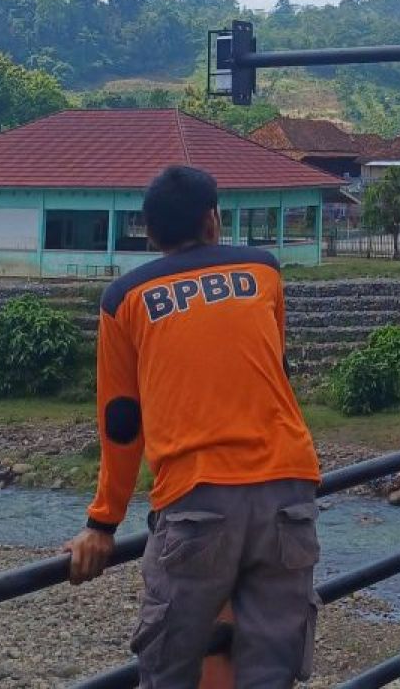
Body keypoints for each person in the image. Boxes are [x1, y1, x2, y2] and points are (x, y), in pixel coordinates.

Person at [63, 166, 322, 688]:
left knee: (168, 670)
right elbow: (277, 369)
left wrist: (103, 523)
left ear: (150, 234)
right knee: (271, 672)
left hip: (197, 500)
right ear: (212, 221)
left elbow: (122, 420)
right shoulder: (263, 271)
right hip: (288, 489)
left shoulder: (124, 298)